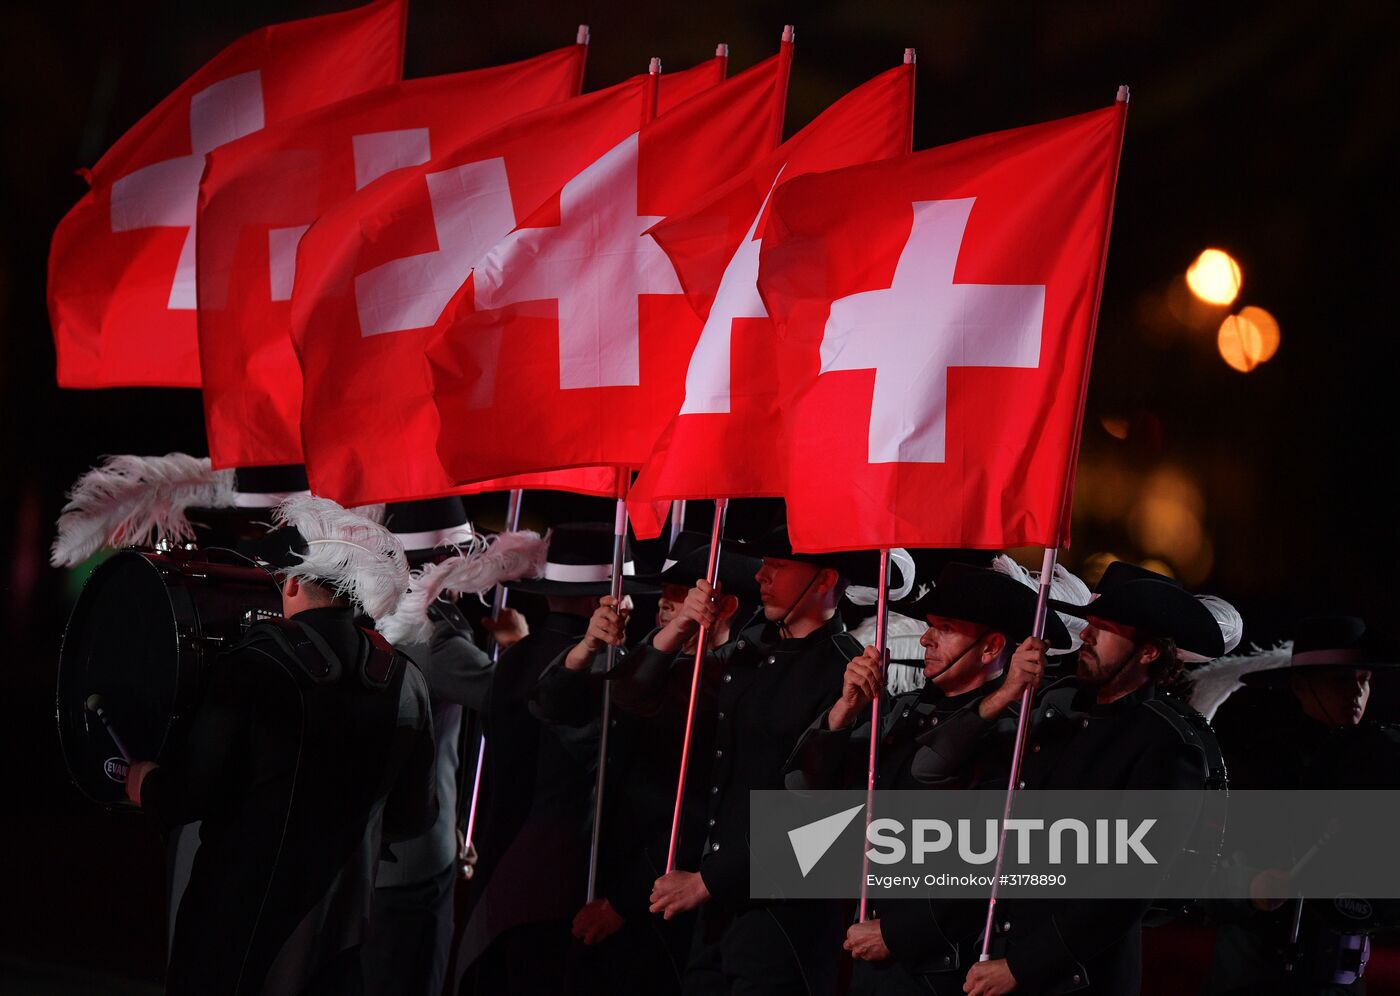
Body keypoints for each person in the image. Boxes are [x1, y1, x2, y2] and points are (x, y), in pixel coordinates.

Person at [123, 494, 436, 996]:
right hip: (341, 934)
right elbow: (415, 816)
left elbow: (192, 793)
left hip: (237, 928)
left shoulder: (255, 664)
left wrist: (146, 784)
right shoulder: (407, 679)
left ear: (292, 582)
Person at [909, 562, 1227, 995]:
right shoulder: (1052, 707)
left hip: (1075, 978)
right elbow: (931, 768)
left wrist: (1022, 966)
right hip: (994, 957)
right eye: (1089, 623)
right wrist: (1005, 694)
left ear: (1149, 652)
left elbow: (1125, 888)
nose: (1085, 636)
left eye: (1105, 627)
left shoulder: (1167, 742)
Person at [783, 559, 1077, 995]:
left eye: (945, 627)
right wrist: (843, 710)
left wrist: (898, 933)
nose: (925, 638)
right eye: (929, 625)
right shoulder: (903, 712)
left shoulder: (1013, 736)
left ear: (992, 646)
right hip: (868, 953)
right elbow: (801, 787)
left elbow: (988, 867)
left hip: (941, 968)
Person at [625, 524, 893, 996]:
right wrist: (681, 625)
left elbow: (828, 820)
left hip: (784, 924)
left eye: (778, 565)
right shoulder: (749, 653)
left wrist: (710, 881)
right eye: (764, 564)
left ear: (825, 579)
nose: (761, 576)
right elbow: (635, 695)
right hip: (713, 916)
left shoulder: (849, 674)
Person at [531, 532, 759, 994]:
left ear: (724, 606)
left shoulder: (725, 684)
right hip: (598, 862)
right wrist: (587, 648)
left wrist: (624, 902)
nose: (665, 607)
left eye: (680, 597)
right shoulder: (648, 660)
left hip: (660, 895)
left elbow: (696, 810)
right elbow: (552, 706)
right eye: (666, 596)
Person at [453, 522, 654, 994]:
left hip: (500, 860)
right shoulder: (604, 669)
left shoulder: (515, 658)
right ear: (600, 602)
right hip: (565, 882)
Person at [362, 496, 533, 996]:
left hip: (366, 851)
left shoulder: (366, 614)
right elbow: (516, 704)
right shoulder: (433, 637)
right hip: (417, 858)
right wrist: (519, 647)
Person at [1203, 616, 1400, 995]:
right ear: (1300, 686)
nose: (1356, 692)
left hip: (1341, 983)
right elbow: (1199, 875)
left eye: (1364, 680)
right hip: (1256, 984)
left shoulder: (1378, 769)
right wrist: (1250, 886)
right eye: (1340, 680)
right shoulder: (1257, 768)